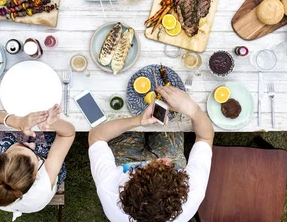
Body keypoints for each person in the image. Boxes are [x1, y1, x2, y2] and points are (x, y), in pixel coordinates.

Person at [88, 86, 214, 222]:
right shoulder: (192, 192)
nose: (164, 159)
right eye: (171, 169)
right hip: (157, 171)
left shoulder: (110, 189)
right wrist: (192, 109)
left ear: (129, 182)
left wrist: (137, 121)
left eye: (154, 165)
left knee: (124, 112)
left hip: (125, 160)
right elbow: (205, 137)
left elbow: (96, 137)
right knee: (169, 118)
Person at [0, 104, 75, 221]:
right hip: (37, 200)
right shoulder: (44, 182)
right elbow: (67, 134)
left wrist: (17, 121)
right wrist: (50, 124)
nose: (25, 144)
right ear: (36, 175)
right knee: (49, 136)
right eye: (34, 155)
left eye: (18, 146)